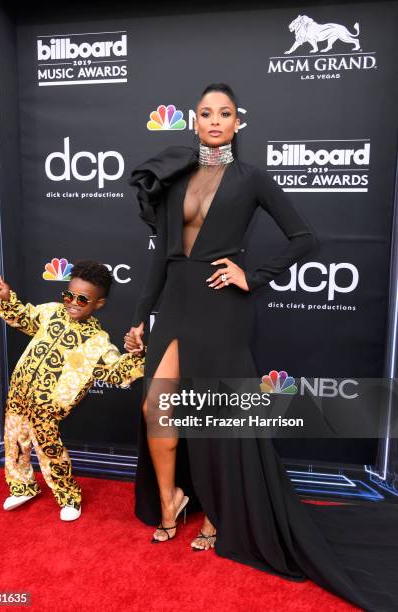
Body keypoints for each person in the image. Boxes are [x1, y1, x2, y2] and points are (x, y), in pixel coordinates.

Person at [124, 83, 398, 611]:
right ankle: (171, 501)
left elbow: (304, 238)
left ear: (237, 123)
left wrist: (253, 275)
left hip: (222, 308)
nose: (215, 121)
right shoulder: (175, 178)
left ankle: (221, 516)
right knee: (156, 408)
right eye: (206, 113)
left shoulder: (252, 179)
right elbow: (159, 257)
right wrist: (139, 320)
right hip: (176, 301)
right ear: (194, 121)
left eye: (225, 113)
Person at [0, 260, 145, 521]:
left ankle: (69, 497)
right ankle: (22, 486)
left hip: (47, 408)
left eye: (83, 299)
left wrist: (135, 354)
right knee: (15, 444)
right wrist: (8, 299)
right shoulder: (50, 312)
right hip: (18, 394)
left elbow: (116, 373)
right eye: (69, 295)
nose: (73, 302)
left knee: (50, 452)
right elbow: (24, 319)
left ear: (98, 304)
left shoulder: (97, 342)